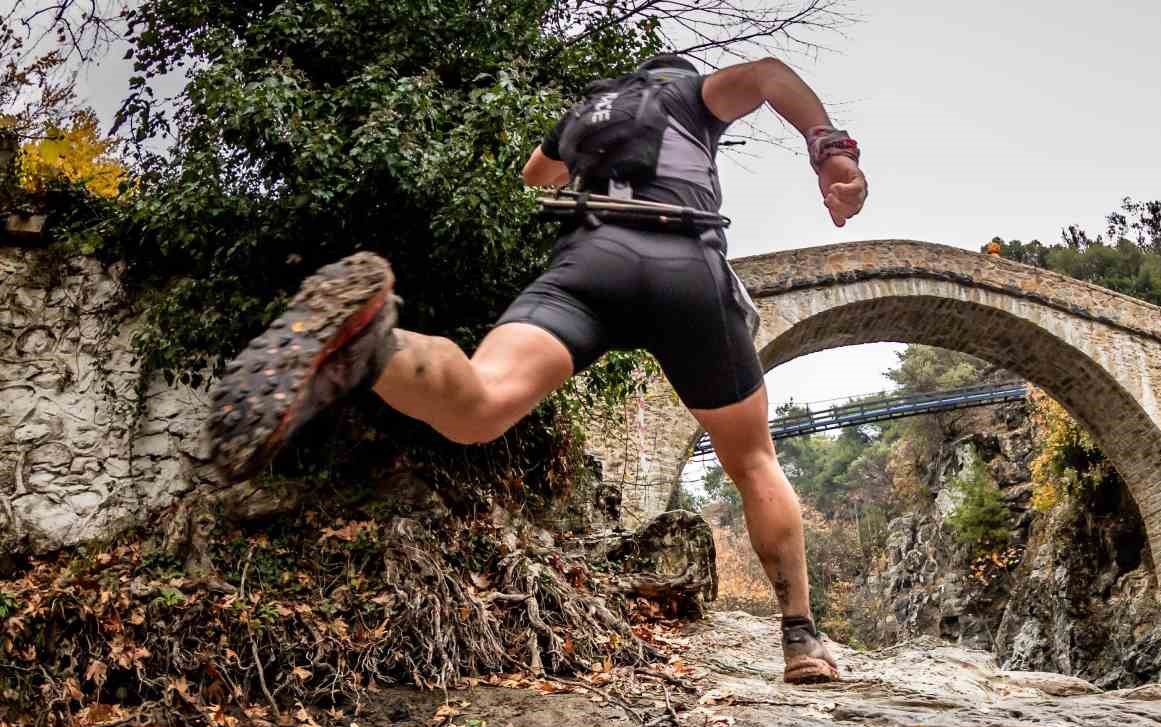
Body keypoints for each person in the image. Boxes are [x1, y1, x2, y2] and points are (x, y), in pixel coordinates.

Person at [208, 53, 868, 684]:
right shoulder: (689, 94)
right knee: (751, 460)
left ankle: (372, 345)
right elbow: (768, 76)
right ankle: (801, 638)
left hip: (588, 263)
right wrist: (831, 151)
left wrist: (590, 152)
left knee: (479, 407)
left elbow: (535, 174)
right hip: (683, 263)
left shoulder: (586, 112)